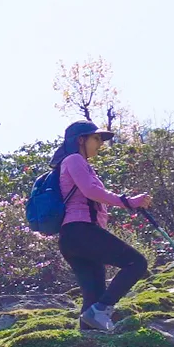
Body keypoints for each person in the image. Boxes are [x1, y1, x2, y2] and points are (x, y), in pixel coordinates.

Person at [52, 120, 152, 331]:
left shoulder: (73, 163)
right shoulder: (74, 159)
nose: (100, 143)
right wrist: (128, 201)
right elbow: (91, 191)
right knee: (136, 263)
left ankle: (89, 345)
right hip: (82, 231)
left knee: (94, 295)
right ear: (81, 140)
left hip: (71, 238)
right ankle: (102, 310)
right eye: (96, 138)